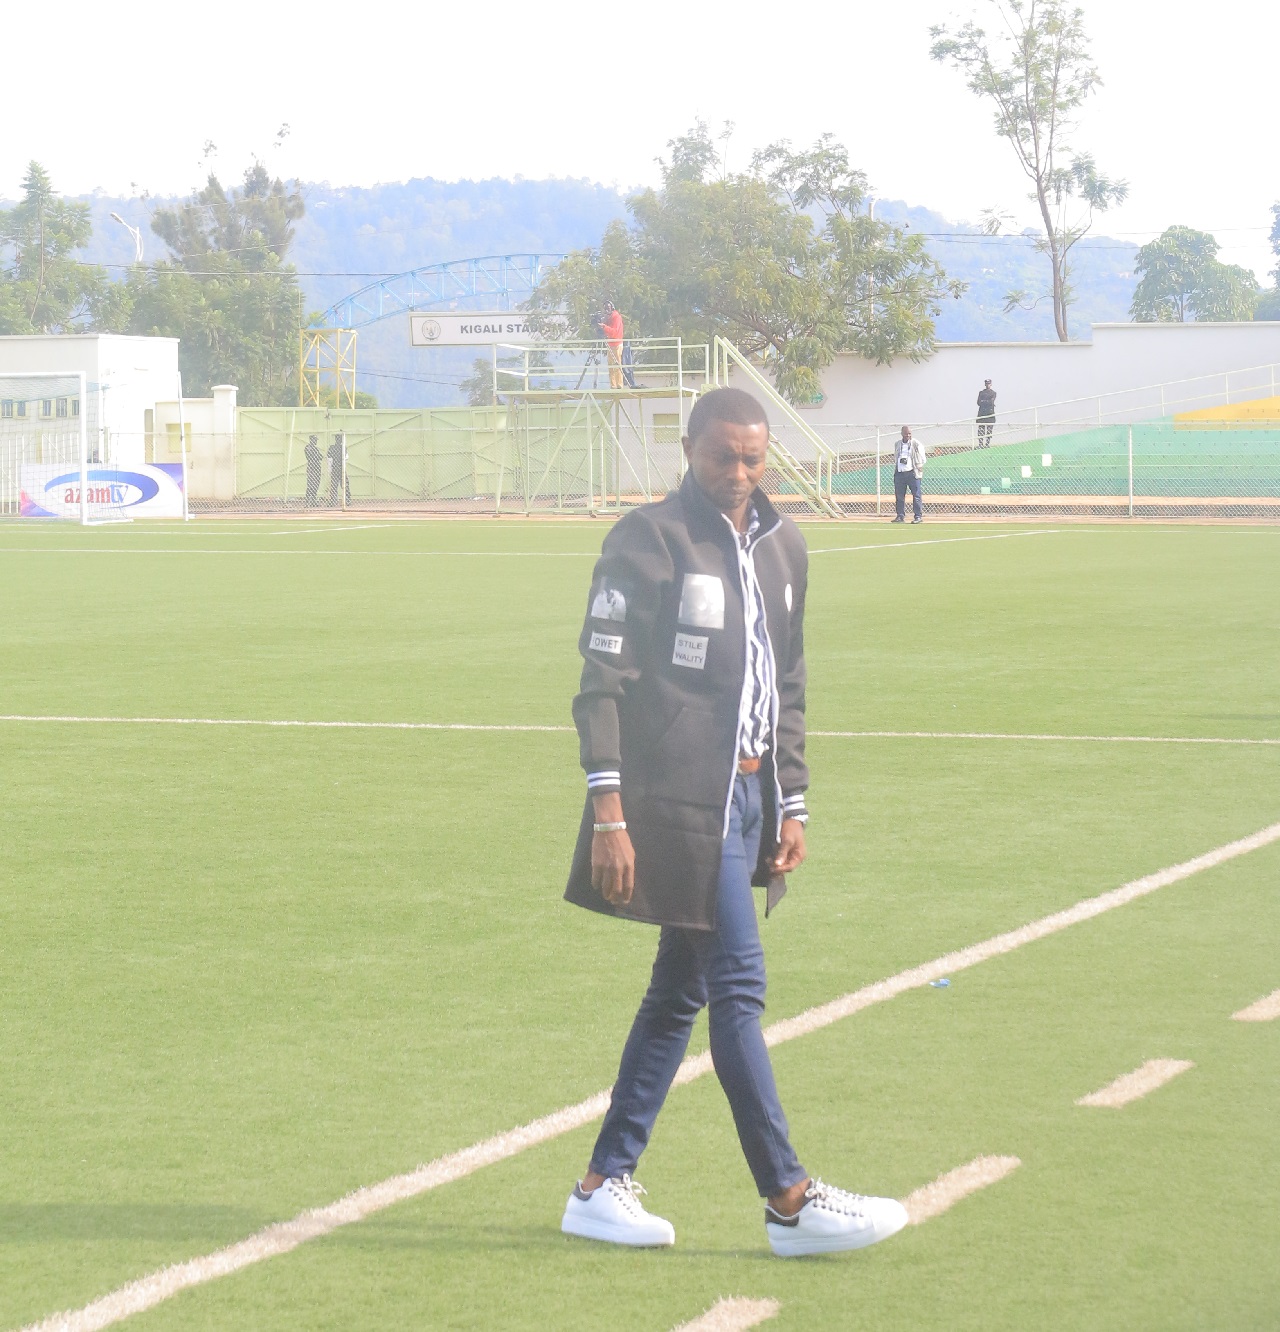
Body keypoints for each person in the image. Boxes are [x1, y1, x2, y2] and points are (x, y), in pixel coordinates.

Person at [559, 386, 908, 1258]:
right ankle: (788, 1200)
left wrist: (792, 801)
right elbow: (601, 686)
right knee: (739, 985)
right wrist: (608, 813)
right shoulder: (648, 539)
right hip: (676, 804)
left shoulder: (785, 546)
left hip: (750, 797)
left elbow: (787, 684)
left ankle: (600, 1186)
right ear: (689, 449)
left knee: (681, 989)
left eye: (754, 457)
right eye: (724, 455)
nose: (740, 471)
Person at [892, 426, 925, 523]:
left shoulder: (916, 444)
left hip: (912, 473)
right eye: (906, 434)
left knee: (916, 495)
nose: (908, 435)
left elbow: (923, 458)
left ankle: (918, 516)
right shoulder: (897, 444)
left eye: (910, 433)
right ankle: (900, 516)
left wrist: (919, 466)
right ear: (902, 434)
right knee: (899, 496)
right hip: (900, 473)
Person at [599, 303, 625, 389]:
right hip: (610, 344)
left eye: (608, 308)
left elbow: (614, 332)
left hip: (616, 344)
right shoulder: (608, 318)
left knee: (617, 365)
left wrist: (604, 327)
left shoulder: (616, 317)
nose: (607, 310)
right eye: (605, 309)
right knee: (610, 366)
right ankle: (613, 385)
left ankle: (619, 385)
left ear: (612, 308)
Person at [326, 431, 349, 506]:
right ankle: (347, 500)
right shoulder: (343, 448)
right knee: (345, 484)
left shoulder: (332, 448)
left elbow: (329, 459)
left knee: (334, 486)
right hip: (341, 468)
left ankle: (333, 501)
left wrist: (329, 469)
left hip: (335, 468)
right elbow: (346, 457)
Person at [976, 379, 996, 447]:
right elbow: (978, 402)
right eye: (987, 383)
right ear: (985, 384)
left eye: (989, 383)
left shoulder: (993, 393)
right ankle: (980, 444)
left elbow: (991, 402)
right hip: (982, 413)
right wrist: (987, 401)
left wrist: (983, 401)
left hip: (990, 414)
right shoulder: (981, 393)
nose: (988, 385)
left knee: (989, 430)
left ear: (991, 384)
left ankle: (987, 444)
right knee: (981, 430)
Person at [304, 434, 322, 506]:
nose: (316, 441)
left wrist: (317, 455)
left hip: (317, 467)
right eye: (315, 440)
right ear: (311, 440)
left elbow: (320, 457)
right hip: (312, 467)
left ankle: (313, 500)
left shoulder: (315, 448)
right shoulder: (308, 447)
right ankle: (308, 501)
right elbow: (310, 456)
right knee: (310, 484)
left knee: (316, 484)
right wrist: (317, 455)